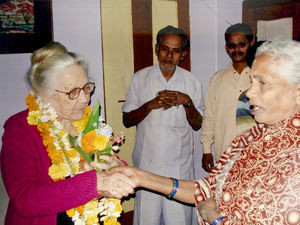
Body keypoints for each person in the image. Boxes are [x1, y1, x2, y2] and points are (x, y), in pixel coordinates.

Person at [112, 39, 300, 224]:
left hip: (179, 163)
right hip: (149, 161)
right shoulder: (248, 138)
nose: (249, 92)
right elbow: (208, 188)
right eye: (251, 82)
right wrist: (140, 177)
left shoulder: (294, 154)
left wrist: (214, 218)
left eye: (263, 83)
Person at [0, 42, 136, 225]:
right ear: (43, 94)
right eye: (73, 92)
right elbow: (25, 199)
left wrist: (117, 165)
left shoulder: (88, 121)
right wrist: (95, 185)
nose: (85, 98)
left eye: (87, 87)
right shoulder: (19, 130)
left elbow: (107, 166)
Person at [122, 25, 203, 225]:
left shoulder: (191, 81)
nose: (169, 55)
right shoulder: (140, 78)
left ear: (183, 54)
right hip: (147, 162)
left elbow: (197, 124)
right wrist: (151, 105)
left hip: (179, 165)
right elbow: (127, 120)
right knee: (147, 218)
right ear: (156, 49)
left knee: (179, 219)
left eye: (176, 51)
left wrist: (188, 102)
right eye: (165, 48)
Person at [200, 23, 257, 172]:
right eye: (232, 46)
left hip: (256, 153)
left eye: (241, 44)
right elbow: (210, 117)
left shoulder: (260, 76)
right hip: (225, 154)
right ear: (226, 48)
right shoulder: (217, 79)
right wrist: (206, 150)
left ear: (252, 43)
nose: (236, 49)